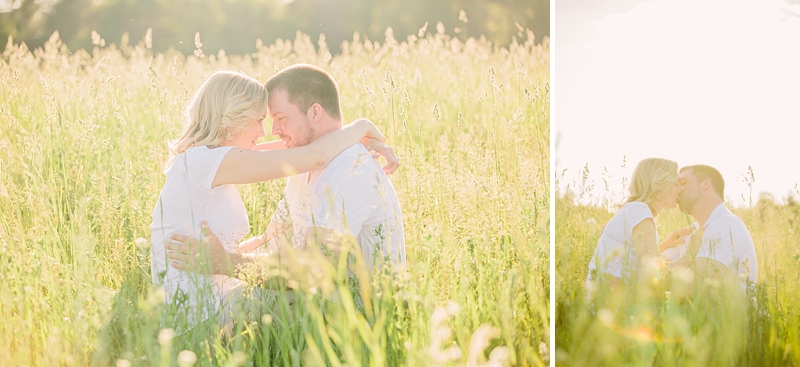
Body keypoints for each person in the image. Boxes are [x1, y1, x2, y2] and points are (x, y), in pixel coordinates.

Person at [149, 69, 397, 328]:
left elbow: (294, 148)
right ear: (233, 118)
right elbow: (315, 155)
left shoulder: (203, 158)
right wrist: (362, 127)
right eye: (259, 120)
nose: (264, 131)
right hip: (199, 314)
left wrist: (348, 138)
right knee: (313, 295)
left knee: (299, 287)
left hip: (202, 302)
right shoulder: (205, 161)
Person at [586, 158, 692, 291]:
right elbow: (655, 274)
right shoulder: (640, 211)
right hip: (610, 302)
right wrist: (691, 255)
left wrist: (664, 245)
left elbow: (636, 258)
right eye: (676, 184)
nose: (680, 190)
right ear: (659, 184)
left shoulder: (635, 210)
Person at [675, 165, 758, 291]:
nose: (678, 190)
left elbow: (690, 288)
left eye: (683, 183)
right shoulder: (691, 231)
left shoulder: (726, 226)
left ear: (706, 184)